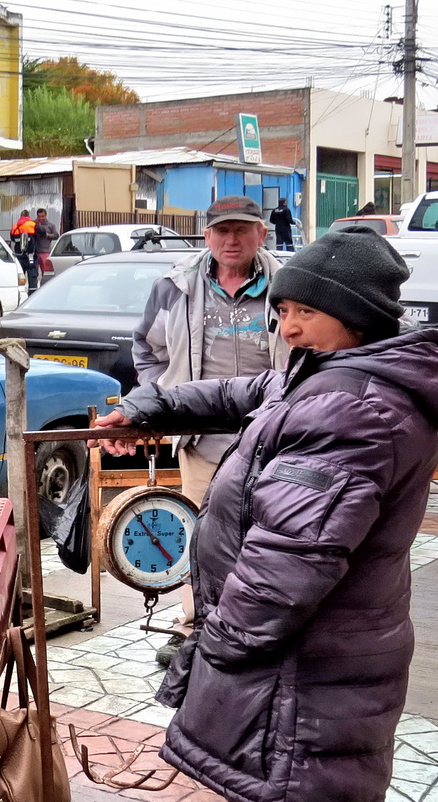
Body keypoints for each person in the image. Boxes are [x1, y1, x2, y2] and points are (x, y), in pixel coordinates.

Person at [92, 226, 438, 802]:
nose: (285, 328)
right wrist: (146, 405)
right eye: (282, 309)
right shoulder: (331, 378)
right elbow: (240, 397)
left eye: (302, 313)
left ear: (355, 317)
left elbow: (291, 561)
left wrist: (218, 645)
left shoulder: (355, 410)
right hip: (318, 648)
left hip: (303, 654)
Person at [129, 194, 291, 667]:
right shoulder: (173, 286)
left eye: (243, 229)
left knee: (267, 535)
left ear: (262, 233)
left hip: (271, 437)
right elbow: (147, 348)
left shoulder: (291, 283)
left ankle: (260, 630)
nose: (232, 239)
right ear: (208, 236)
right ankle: (193, 626)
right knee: (201, 536)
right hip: (200, 439)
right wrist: (162, 401)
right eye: (222, 230)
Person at [10, 209, 38, 291]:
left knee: (20, 276)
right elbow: (42, 232)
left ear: (21, 216)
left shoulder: (15, 226)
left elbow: (12, 238)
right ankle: (32, 294)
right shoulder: (33, 224)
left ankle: (20, 292)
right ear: (28, 216)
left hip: (19, 256)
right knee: (32, 276)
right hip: (31, 256)